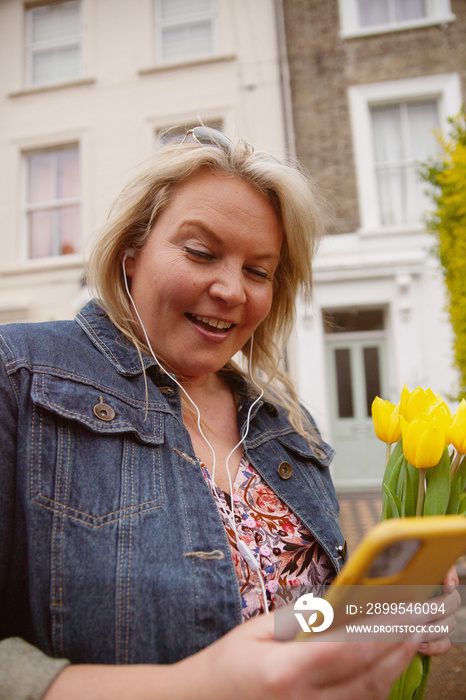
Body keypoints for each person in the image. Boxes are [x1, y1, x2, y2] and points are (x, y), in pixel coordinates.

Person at [0, 127, 459, 700]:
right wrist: (194, 687)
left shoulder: (288, 427)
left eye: (258, 271)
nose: (231, 290)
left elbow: (301, 620)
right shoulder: (19, 374)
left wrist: (381, 619)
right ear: (131, 254)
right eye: (201, 251)